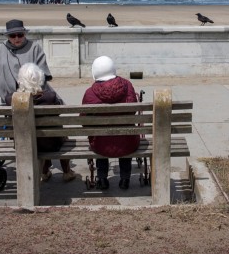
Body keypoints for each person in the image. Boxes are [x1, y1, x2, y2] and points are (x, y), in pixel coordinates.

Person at [82, 56, 139, 190]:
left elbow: (84, 121)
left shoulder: (89, 93)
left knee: (101, 137)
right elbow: (134, 111)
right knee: (125, 135)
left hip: (100, 145)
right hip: (127, 143)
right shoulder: (128, 86)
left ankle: (102, 178)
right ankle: (125, 179)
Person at [15, 63, 76, 182]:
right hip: (49, 144)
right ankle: (67, 172)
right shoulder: (50, 97)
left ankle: (45, 172)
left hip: (23, 144)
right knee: (53, 133)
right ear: (40, 79)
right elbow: (58, 111)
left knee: (43, 135)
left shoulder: (12, 99)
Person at [0, 19, 52, 104]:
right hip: (8, 100)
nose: (17, 38)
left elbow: (43, 73)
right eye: (12, 36)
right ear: (8, 36)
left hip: (34, 99)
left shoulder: (34, 47)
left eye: (20, 35)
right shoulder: (2, 49)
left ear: (24, 34)